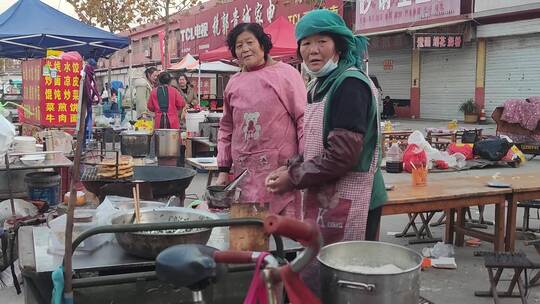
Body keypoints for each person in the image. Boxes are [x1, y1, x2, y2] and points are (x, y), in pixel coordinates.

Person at [265, 9, 387, 291]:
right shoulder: (318, 85)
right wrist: (291, 165)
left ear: (338, 45)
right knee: (323, 272)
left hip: (357, 198)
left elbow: (343, 154)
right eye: (306, 43)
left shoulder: (350, 84)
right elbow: (315, 143)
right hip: (328, 196)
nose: (312, 50)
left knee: (348, 279)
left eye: (321, 41)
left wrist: (294, 177)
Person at [215, 22, 306, 217]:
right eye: (239, 46)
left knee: (283, 237)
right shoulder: (234, 83)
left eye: (249, 42)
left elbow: (303, 119)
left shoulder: (286, 74)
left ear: (262, 45)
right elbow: (227, 127)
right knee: (249, 235)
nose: (245, 49)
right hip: (243, 175)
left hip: (280, 172)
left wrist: (301, 164)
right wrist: (223, 168)